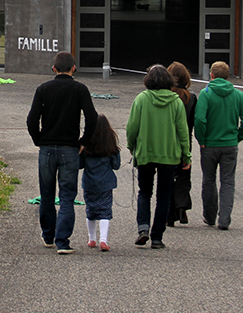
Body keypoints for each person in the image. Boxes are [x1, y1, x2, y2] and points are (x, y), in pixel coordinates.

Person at [26, 51, 98, 254]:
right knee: (67, 196)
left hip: (47, 148)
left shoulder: (43, 89)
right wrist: (83, 141)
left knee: (47, 194)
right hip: (70, 149)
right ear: (74, 68)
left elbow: (32, 120)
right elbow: (92, 118)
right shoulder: (80, 89)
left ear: (54, 68)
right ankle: (63, 241)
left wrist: (38, 139)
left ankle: (48, 235)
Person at [126, 65, 190, 249]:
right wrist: (186, 154)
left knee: (144, 192)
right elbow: (182, 132)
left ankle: (143, 228)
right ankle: (157, 236)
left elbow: (132, 127)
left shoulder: (141, 99)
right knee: (164, 196)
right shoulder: (176, 102)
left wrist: (132, 146)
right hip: (169, 155)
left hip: (145, 153)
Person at [195, 61, 243, 231]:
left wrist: (201, 139)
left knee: (209, 180)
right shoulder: (238, 94)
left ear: (211, 75)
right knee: (228, 181)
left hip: (210, 144)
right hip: (230, 144)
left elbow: (199, 119)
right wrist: (238, 136)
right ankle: (225, 219)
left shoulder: (206, 94)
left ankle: (209, 216)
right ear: (228, 76)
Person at [80, 114, 121, 252]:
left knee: (90, 211)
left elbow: (80, 165)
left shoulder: (86, 147)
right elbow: (116, 165)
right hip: (106, 183)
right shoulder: (110, 146)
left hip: (90, 183)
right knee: (104, 211)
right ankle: (103, 240)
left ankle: (92, 238)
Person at [168, 61, 198, 227]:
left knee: (168, 177)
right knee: (184, 175)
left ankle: (169, 213)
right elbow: (195, 120)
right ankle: (182, 207)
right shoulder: (191, 98)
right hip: (185, 140)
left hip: (168, 142)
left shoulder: (166, 96)